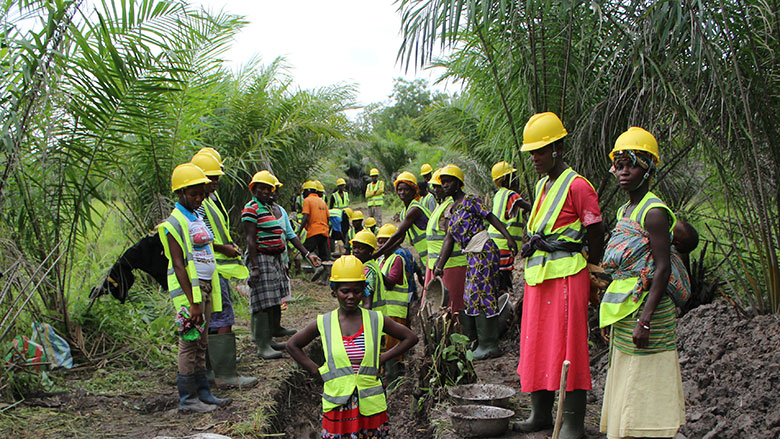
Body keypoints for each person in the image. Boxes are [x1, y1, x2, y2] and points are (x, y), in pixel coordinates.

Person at [515, 112, 605, 438]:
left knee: (569, 349)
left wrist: (592, 266)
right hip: (539, 277)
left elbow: (595, 230)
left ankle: (572, 424)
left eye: (541, 151)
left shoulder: (578, 185)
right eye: (532, 152)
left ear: (558, 148)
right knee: (536, 344)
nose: (535, 158)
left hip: (567, 276)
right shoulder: (542, 185)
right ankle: (540, 414)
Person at [599, 127, 689, 439]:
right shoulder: (627, 209)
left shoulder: (653, 212)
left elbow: (662, 269)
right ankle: (628, 431)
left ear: (648, 167)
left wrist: (646, 321)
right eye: (619, 164)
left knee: (646, 378)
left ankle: (646, 432)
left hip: (648, 311)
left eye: (632, 164)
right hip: (629, 309)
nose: (624, 172)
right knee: (629, 374)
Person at [286, 255, 418, 439]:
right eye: (345, 291)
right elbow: (292, 345)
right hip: (338, 406)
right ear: (334, 291)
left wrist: (382, 358)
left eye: (357, 291)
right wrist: (315, 371)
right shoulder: (324, 322)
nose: (351, 296)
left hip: (370, 407)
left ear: (363, 291)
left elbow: (410, 337)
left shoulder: (374, 319)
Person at [158, 163, 231, 413]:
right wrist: (193, 301)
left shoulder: (197, 216)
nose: (199, 198)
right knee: (189, 341)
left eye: (202, 193)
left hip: (206, 288)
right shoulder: (174, 223)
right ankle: (188, 399)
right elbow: (179, 265)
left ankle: (204, 393)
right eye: (193, 194)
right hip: (191, 291)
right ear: (180, 194)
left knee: (201, 342)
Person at [433, 164, 518, 360]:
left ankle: (490, 345)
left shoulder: (470, 200)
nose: (445, 185)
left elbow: (491, 217)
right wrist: (439, 265)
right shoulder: (452, 210)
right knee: (471, 296)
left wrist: (508, 237)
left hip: (484, 251)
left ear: (458, 183)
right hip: (472, 254)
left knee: (482, 294)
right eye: (443, 182)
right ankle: (477, 341)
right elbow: (449, 240)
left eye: (449, 181)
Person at [190, 152, 257, 388]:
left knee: (213, 318)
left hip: (214, 266)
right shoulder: (197, 204)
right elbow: (198, 237)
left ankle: (212, 368)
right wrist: (223, 248)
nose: (215, 183)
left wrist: (227, 246)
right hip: (211, 268)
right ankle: (225, 374)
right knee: (221, 318)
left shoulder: (207, 201)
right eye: (212, 178)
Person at [244, 171, 320, 359]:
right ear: (253, 189)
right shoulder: (251, 209)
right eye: (261, 188)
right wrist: (254, 268)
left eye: (268, 189)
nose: (266, 192)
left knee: (272, 300)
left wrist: (307, 254)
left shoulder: (270, 209)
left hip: (274, 258)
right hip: (261, 258)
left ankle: (269, 340)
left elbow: (289, 234)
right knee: (262, 301)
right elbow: (250, 239)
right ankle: (262, 345)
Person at [267, 173, 322, 349]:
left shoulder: (280, 211)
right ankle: (263, 337)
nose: (272, 193)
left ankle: (276, 327)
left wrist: (307, 254)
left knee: (278, 296)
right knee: (265, 299)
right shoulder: (255, 210)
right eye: (269, 190)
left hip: (280, 259)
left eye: (274, 190)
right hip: (265, 260)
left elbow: (290, 235)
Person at [374, 172, 430, 286]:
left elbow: (398, 234)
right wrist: (386, 251)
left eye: (406, 189)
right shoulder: (404, 212)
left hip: (431, 251)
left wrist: (376, 254)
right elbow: (401, 239)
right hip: (425, 253)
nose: (402, 192)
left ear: (414, 191)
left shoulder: (414, 209)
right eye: (399, 189)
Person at [424, 168, 467, 315]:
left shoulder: (450, 206)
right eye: (436, 186)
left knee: (450, 308)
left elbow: (450, 237)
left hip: (451, 265)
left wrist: (440, 264)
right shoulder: (441, 206)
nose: (437, 189)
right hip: (437, 264)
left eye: (439, 186)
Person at [375, 224, 413, 383]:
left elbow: (390, 282)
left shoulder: (397, 258)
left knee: (393, 346)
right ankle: (387, 376)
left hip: (396, 311)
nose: (381, 245)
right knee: (385, 345)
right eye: (379, 242)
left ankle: (393, 379)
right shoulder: (383, 259)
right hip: (386, 310)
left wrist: (375, 271)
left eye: (385, 242)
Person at [488, 161, 532, 293]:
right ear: (507, 179)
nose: (517, 180)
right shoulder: (512, 195)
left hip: (495, 243)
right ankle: (504, 302)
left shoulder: (499, 195)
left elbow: (508, 214)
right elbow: (529, 207)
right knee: (503, 277)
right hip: (503, 244)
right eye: (514, 177)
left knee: (498, 276)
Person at [297, 180, 332, 261]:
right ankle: (323, 270)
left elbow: (305, 216)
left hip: (314, 231)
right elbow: (327, 218)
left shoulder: (307, 200)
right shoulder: (322, 201)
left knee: (305, 251)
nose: (303, 194)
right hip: (324, 232)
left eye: (304, 192)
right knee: (324, 256)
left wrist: (299, 232)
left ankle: (314, 268)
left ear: (308, 191)